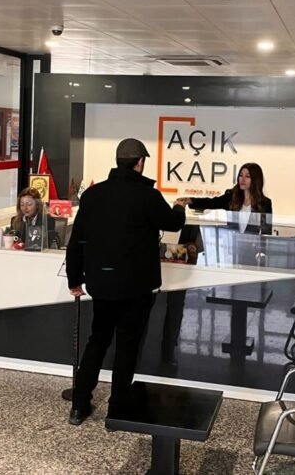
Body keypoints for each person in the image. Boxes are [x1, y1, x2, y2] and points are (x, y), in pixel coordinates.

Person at [66, 138, 186, 425]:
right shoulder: (147, 196)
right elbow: (173, 223)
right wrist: (180, 207)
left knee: (97, 341)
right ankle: (117, 408)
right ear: (140, 163)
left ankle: (79, 405)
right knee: (127, 347)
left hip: (102, 284)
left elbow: (77, 240)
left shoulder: (93, 195)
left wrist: (75, 277)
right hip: (136, 287)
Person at [177, 162, 273, 235]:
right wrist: (190, 200)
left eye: (247, 176)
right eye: (241, 175)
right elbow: (212, 202)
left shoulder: (265, 203)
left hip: (252, 249)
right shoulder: (232, 196)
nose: (242, 179)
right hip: (231, 246)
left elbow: (266, 233)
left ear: (256, 180)